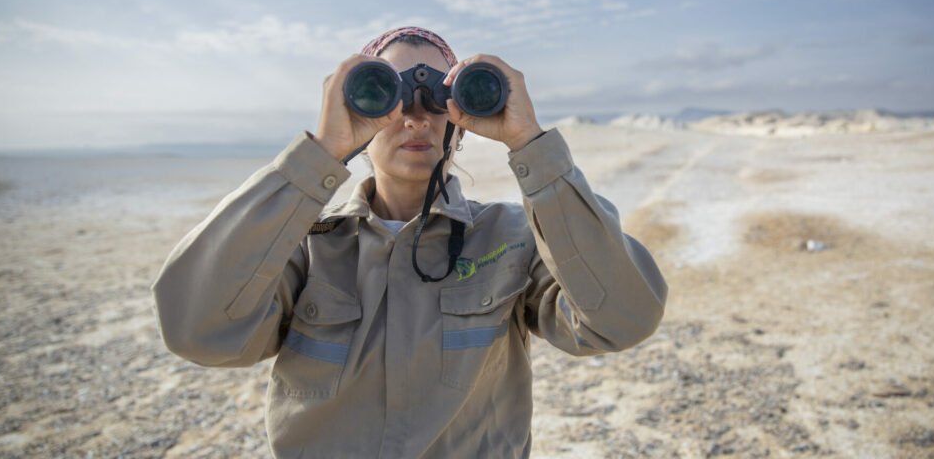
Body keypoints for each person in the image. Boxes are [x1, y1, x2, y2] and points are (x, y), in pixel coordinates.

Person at [152, 26, 668, 458]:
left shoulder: (512, 238)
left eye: (439, 99)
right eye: (385, 96)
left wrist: (528, 143)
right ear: (357, 115)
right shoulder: (309, 246)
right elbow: (197, 328)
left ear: (460, 125)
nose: (415, 116)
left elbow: (621, 319)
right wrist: (323, 152)